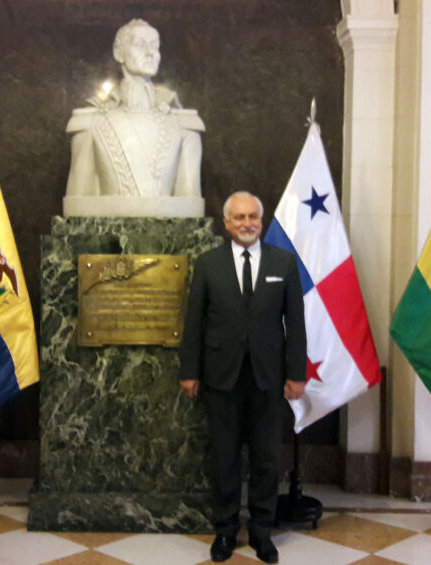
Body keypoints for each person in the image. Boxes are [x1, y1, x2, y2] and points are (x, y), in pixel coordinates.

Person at [179, 191, 307, 563]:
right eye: (239, 217)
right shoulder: (207, 264)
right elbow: (194, 323)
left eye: (253, 216)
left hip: (269, 380)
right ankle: (225, 531)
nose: (247, 223)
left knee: (267, 459)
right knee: (224, 459)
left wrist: (296, 373)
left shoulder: (283, 262)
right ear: (226, 223)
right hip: (221, 378)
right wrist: (190, 370)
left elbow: (295, 324)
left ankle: (263, 532)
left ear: (261, 221)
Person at [64, 19, 204, 200]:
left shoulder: (184, 125)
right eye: (140, 44)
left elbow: (189, 205)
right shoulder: (89, 123)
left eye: (155, 46)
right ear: (118, 53)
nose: (150, 53)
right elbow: (77, 205)